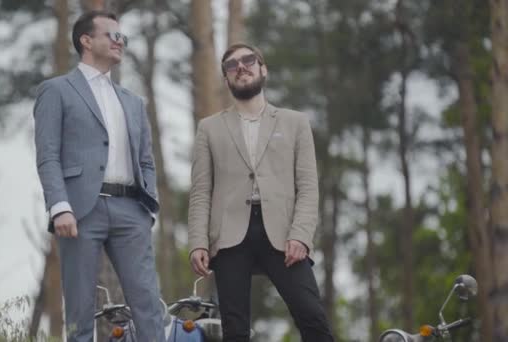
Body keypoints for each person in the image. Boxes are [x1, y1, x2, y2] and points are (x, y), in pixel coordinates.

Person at [188, 43, 334, 341]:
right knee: (234, 329)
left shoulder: (296, 122)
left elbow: (307, 186)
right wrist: (197, 242)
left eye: (248, 60)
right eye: (231, 65)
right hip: (229, 236)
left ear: (262, 68)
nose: (240, 67)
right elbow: (201, 191)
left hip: (284, 234)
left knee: (313, 318)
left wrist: (301, 235)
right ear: (227, 79)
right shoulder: (209, 128)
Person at [33, 10, 165, 342]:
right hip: (78, 211)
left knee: (149, 303)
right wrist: (59, 206)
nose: (121, 42)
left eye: (123, 37)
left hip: (131, 211)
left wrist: (148, 207)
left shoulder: (134, 102)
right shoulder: (56, 90)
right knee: (79, 308)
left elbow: (146, 161)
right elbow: (48, 155)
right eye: (113, 35)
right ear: (86, 40)